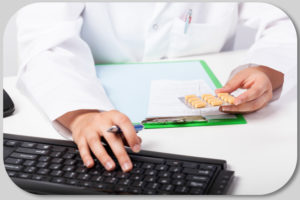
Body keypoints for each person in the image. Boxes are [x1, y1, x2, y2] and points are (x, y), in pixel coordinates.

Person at [16, 2, 296, 172]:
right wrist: (81, 114)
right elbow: (45, 43)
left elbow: (287, 20)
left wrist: (265, 70)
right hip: (101, 116)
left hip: (218, 133)